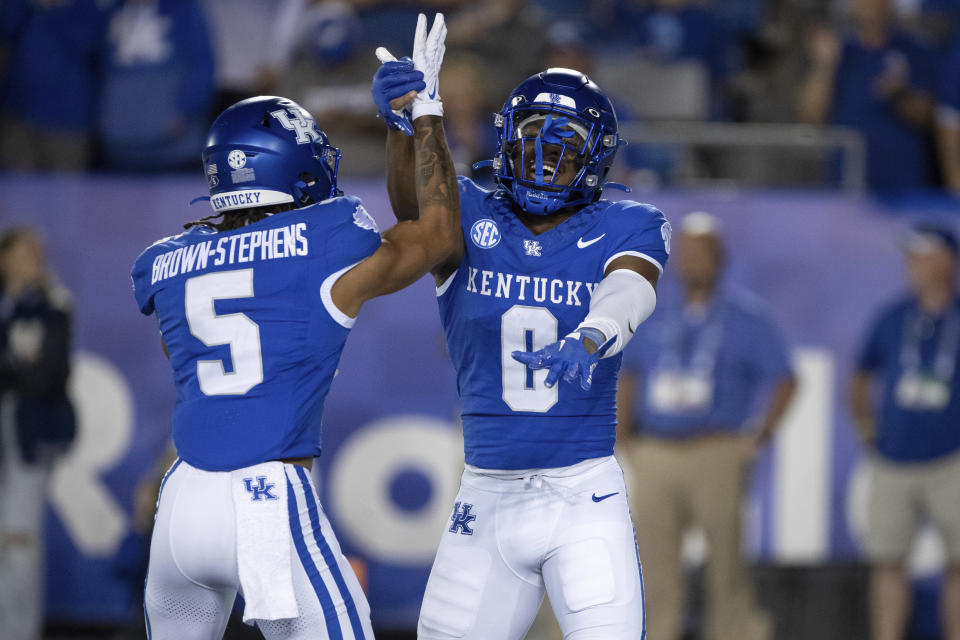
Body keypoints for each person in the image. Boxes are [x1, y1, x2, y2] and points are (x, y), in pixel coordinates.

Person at [130, 13, 458, 639]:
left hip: (180, 502)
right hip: (265, 501)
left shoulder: (164, 259)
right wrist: (419, 120)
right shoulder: (326, 237)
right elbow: (438, 236)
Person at [374, 58, 670, 638]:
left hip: (582, 491)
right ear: (506, 137)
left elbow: (629, 287)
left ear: (597, 154)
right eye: (532, 132)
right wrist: (405, 126)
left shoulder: (629, 223)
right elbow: (412, 211)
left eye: (565, 139)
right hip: (486, 490)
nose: (544, 150)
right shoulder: (466, 210)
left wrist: (591, 335)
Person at [616, 211, 797, 640]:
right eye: (687, 254)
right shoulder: (656, 311)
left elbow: (786, 379)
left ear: (721, 258)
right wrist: (624, 437)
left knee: (726, 561)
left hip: (716, 448)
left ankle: (732, 632)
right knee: (655, 561)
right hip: (656, 450)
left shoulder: (745, 316)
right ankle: (658, 633)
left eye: (703, 254)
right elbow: (630, 374)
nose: (693, 262)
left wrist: (759, 434)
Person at [851, 221, 960, 640]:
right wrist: (866, 428)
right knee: (888, 563)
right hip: (894, 459)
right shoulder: (894, 317)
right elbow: (860, 377)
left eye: (923, 255)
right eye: (911, 256)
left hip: (952, 459)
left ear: (947, 261)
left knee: (957, 564)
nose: (912, 264)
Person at [0, 227, 76, 640]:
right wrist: (17, 366)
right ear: (5, 257)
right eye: (27, 251)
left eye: (40, 251)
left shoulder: (53, 304)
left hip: (29, 435)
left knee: (18, 538)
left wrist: (14, 371)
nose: (37, 258)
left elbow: (48, 373)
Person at [797, 0, 938, 192]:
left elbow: (930, 117)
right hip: (849, 182)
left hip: (904, 184)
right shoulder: (839, 52)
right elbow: (811, 116)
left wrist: (900, 96)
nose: (871, 4)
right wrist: (824, 66)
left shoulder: (917, 50)